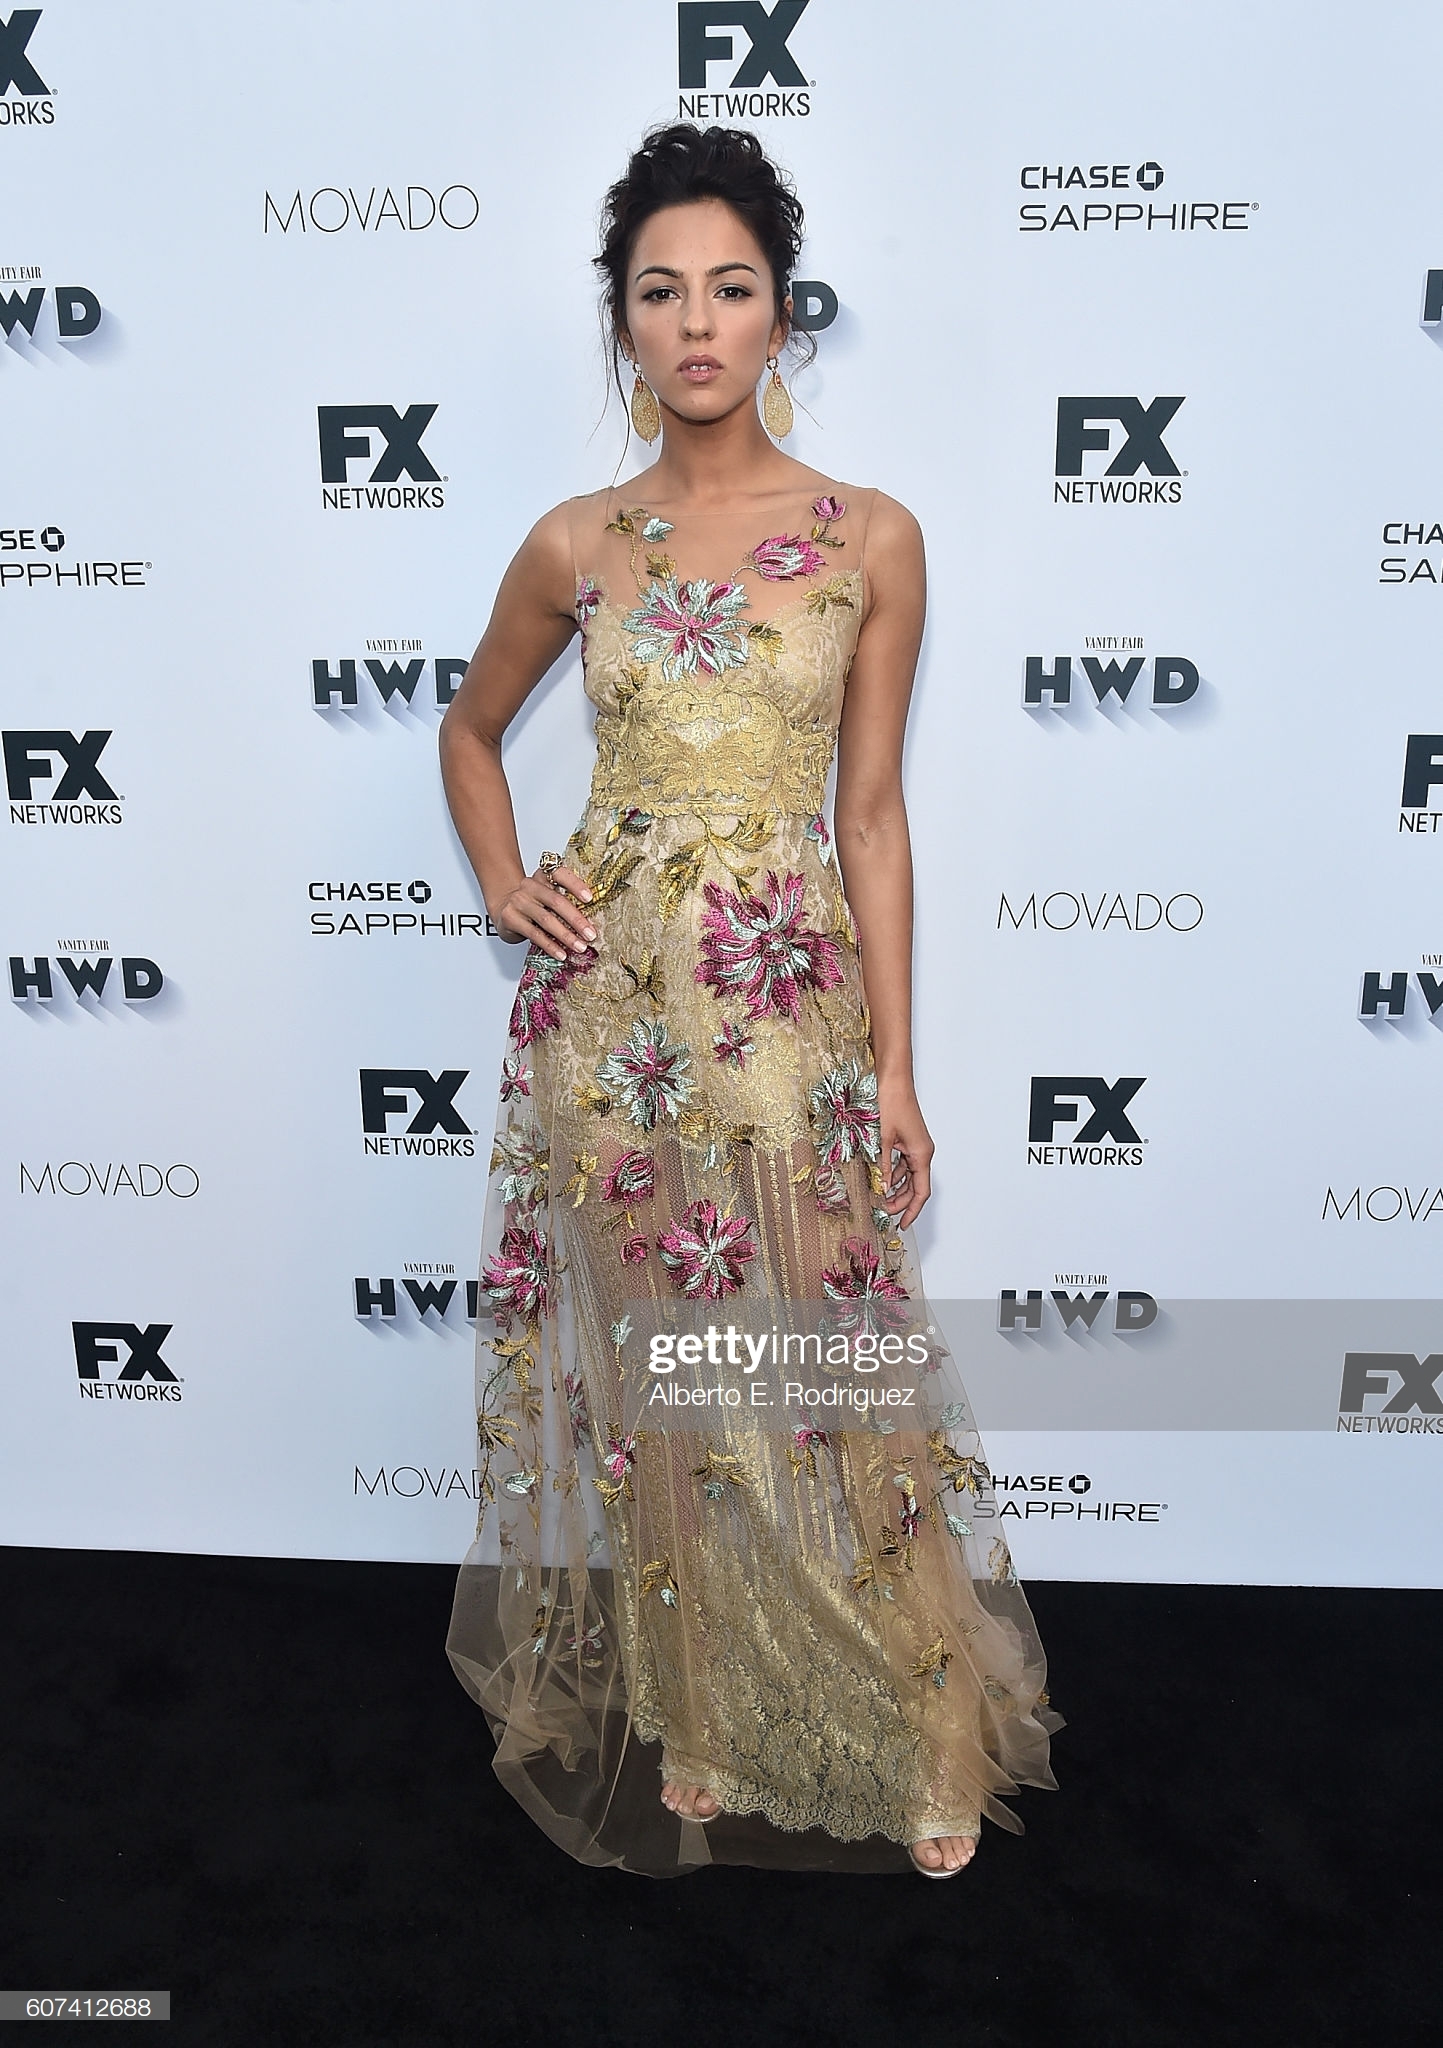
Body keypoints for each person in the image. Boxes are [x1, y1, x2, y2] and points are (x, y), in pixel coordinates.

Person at [441, 122, 1059, 1879]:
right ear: (622, 324)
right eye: (661, 292)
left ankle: (918, 1723)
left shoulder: (871, 536)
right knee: (669, 1386)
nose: (696, 322)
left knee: (827, 1367)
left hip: (784, 1009)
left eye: (730, 288)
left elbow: (872, 816)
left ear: (784, 313)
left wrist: (900, 1070)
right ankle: (704, 1712)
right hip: (612, 1020)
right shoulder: (576, 540)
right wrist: (507, 880)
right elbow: (468, 731)